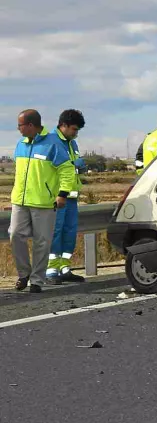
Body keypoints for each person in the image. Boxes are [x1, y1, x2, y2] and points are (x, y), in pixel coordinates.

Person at [10, 110, 75, 293]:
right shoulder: (20, 144)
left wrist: (62, 194)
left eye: (20, 125)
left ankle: (37, 280)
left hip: (44, 203)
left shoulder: (52, 143)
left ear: (30, 125)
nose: (18, 129)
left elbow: (67, 170)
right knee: (15, 235)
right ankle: (24, 274)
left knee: (42, 242)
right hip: (20, 201)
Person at [46, 109, 88, 284]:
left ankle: (64, 268)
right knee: (55, 232)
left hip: (71, 197)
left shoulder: (72, 144)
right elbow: (49, 168)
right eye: (74, 129)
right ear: (63, 125)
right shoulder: (51, 142)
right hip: (57, 197)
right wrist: (73, 164)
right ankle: (50, 270)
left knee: (69, 232)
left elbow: (70, 170)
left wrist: (79, 167)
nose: (76, 133)